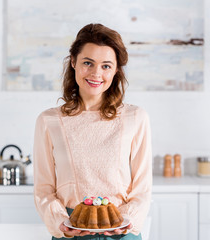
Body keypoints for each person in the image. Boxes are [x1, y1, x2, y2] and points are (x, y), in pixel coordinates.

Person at [33, 23, 152, 240]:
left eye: (106, 66)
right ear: (73, 62)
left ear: (116, 70)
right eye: (88, 63)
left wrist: (126, 221)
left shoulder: (136, 118)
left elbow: (142, 189)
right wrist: (61, 222)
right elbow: (44, 190)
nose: (96, 73)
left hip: (121, 231)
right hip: (70, 230)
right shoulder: (49, 121)